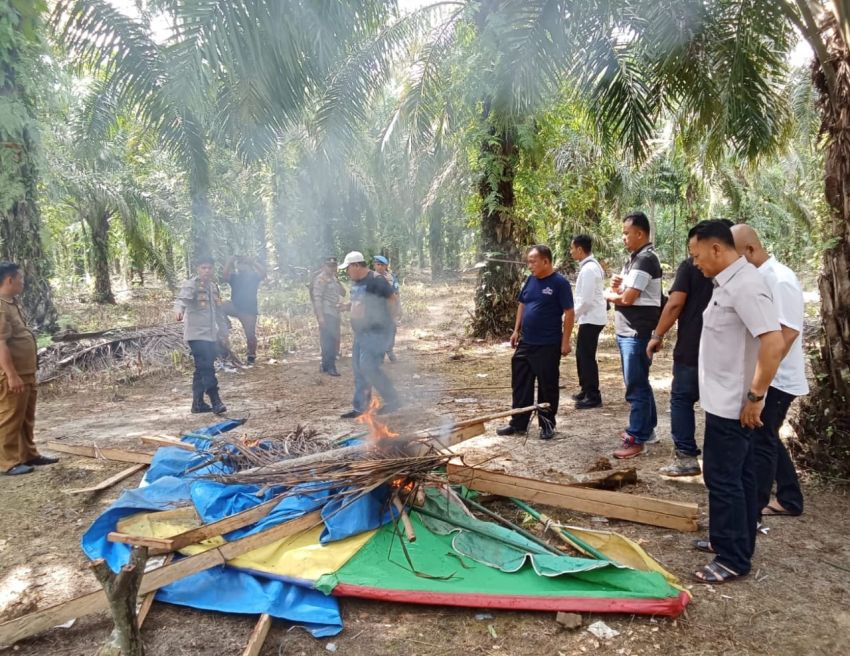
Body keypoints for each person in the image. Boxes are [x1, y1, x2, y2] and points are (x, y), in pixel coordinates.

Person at [687, 220, 784, 584]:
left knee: (724, 478)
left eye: (697, 254)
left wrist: (756, 397)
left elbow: (773, 341)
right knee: (734, 477)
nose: (695, 262)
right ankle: (728, 542)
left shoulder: (745, 285)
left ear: (716, 248)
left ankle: (732, 558)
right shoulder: (726, 283)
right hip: (722, 400)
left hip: (734, 404)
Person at [732, 224, 807, 518]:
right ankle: (790, 498)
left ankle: (755, 507)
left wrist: (761, 384)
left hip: (777, 377)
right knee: (767, 436)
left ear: (751, 250)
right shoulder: (759, 277)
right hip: (765, 374)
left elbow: (788, 333)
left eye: (736, 257)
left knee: (761, 441)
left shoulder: (779, 279)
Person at [496, 245, 574, 440]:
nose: (529, 265)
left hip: (548, 344)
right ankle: (518, 423)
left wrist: (565, 342)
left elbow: (569, 313)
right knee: (520, 383)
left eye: (533, 262)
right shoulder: (530, 280)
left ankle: (547, 424)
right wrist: (516, 330)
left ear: (546, 261)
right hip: (526, 342)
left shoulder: (560, 283)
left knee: (548, 385)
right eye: (528, 262)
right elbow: (522, 304)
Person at [646, 255, 714, 476]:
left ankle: (686, 457)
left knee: (682, 400)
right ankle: (719, 461)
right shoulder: (738, 267)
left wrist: (657, 334)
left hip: (693, 347)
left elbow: (675, 303)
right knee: (719, 407)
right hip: (723, 352)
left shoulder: (691, 265)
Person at [604, 212, 662, 458]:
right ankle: (647, 429)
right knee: (640, 382)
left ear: (640, 233)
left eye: (627, 233)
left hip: (636, 332)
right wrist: (617, 288)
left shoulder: (645, 260)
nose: (623, 237)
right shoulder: (635, 260)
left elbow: (628, 298)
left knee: (636, 386)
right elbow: (626, 292)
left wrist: (609, 295)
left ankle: (636, 437)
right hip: (629, 330)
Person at [0, 262, 58, 476]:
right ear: (9, 280)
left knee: (26, 416)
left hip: (26, 372)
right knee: (10, 416)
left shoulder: (11, 303)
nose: (23, 282)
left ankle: (28, 454)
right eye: (20, 278)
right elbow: (1, 344)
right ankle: (7, 462)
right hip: (13, 374)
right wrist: (11, 375)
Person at [337, 251, 400, 418]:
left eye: (348, 268)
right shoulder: (357, 282)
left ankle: (393, 399)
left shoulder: (376, 280)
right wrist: (346, 306)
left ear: (356, 265)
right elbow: (358, 301)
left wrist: (387, 323)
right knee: (359, 369)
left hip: (376, 333)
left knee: (368, 367)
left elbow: (393, 300)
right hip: (361, 333)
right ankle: (361, 408)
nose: (347, 272)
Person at [175, 256, 229, 414]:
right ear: (198, 269)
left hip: (211, 335)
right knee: (207, 367)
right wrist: (178, 311)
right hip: (196, 335)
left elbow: (219, 313)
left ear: (213, 269)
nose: (207, 271)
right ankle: (215, 400)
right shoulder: (191, 285)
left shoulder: (213, 287)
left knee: (201, 369)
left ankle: (197, 403)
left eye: (209, 268)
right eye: (203, 268)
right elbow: (181, 301)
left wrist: (224, 333)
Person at [568, 234, 607, 409]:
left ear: (580, 249)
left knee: (586, 357)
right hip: (589, 317)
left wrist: (572, 317)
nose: (570, 252)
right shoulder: (588, 267)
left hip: (592, 318)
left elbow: (586, 300)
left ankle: (593, 395)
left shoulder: (589, 269)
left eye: (572, 248)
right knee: (581, 355)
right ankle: (585, 389)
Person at [222, 255, 266, 366]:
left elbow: (263, 274)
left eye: (244, 264)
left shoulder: (253, 277)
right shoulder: (235, 277)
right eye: (239, 264)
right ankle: (226, 323)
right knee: (220, 306)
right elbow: (225, 275)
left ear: (248, 266)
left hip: (249, 310)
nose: (241, 266)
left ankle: (251, 356)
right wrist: (230, 261)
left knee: (250, 335)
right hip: (235, 306)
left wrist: (253, 262)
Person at [311, 256, 346, 377]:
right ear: (324, 266)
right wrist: (320, 317)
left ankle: (325, 365)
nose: (332, 268)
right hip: (326, 313)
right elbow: (317, 299)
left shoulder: (334, 278)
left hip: (335, 312)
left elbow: (343, 293)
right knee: (329, 340)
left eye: (334, 266)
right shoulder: (320, 279)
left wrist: (337, 280)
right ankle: (330, 366)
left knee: (331, 339)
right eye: (329, 266)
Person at [372, 255, 400, 361]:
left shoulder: (391, 277)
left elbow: (396, 292)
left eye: (382, 265)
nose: (379, 267)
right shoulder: (371, 277)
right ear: (374, 265)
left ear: (386, 266)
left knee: (392, 329)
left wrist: (398, 307)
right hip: (376, 309)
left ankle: (389, 349)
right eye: (377, 264)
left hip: (389, 308)